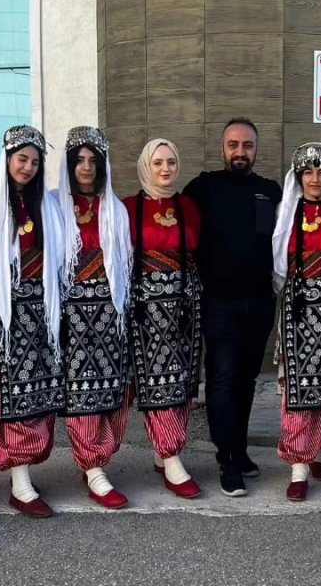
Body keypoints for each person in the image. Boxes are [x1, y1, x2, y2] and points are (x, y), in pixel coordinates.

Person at [183, 118, 281, 496]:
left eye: (248, 145)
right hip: (219, 304)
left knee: (246, 381)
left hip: (259, 302)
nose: (240, 151)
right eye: (233, 144)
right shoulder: (203, 188)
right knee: (222, 380)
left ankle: (238, 451)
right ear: (223, 147)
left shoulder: (269, 191)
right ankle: (226, 461)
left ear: (257, 149)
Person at [0, 124, 66, 518]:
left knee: (39, 393)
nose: (28, 167)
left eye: (34, 161)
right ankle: (19, 479)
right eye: (21, 159)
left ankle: (26, 468)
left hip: (42, 311)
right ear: (7, 159)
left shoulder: (47, 205)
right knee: (13, 395)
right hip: (8, 312)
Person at [52, 126, 134, 509]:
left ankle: (102, 457)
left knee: (113, 391)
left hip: (110, 313)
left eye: (93, 160)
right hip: (70, 315)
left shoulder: (114, 208)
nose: (86, 167)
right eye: (79, 160)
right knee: (81, 393)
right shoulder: (52, 205)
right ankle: (93, 467)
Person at [271, 143, 321, 502]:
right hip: (298, 311)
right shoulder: (285, 213)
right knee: (299, 391)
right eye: (308, 172)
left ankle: (314, 448)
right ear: (299, 177)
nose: (315, 179)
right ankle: (299, 466)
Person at [125, 138, 204, 499]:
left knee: (183, 380)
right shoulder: (128, 208)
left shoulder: (189, 206)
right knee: (157, 381)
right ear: (146, 165)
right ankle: (170, 456)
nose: (165, 169)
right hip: (147, 308)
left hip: (186, 306)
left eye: (171, 161)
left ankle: (165, 450)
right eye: (158, 162)